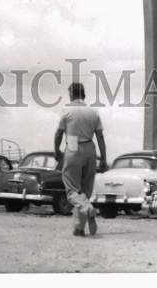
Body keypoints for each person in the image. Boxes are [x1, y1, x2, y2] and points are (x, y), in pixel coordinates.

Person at [54, 81, 107, 237]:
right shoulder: (93, 111)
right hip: (90, 147)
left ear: (71, 94)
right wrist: (103, 158)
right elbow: (101, 137)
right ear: (83, 94)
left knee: (72, 190)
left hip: (72, 145)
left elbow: (58, 133)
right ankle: (78, 227)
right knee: (84, 191)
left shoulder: (66, 110)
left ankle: (87, 209)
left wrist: (56, 150)